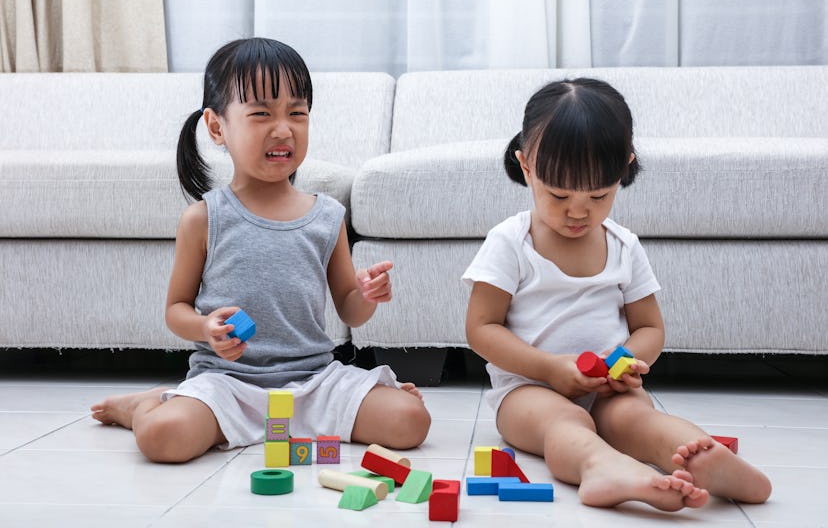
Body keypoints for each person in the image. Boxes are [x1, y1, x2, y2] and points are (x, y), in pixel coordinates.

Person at [91, 38, 430, 463]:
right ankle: (146, 404)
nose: (283, 128)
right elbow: (176, 309)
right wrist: (205, 329)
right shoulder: (204, 219)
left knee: (410, 421)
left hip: (313, 382)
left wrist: (366, 295)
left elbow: (349, 310)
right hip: (229, 384)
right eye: (261, 114)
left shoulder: (327, 217)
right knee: (161, 437)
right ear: (217, 127)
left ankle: (331, 408)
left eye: (297, 113)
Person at [462, 78, 771, 511]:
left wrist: (625, 363)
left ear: (624, 169)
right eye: (559, 195)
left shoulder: (624, 245)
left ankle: (694, 453)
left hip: (607, 387)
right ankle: (600, 468)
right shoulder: (511, 242)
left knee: (636, 417)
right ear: (526, 165)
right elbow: (481, 328)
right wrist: (549, 369)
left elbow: (649, 327)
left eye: (599, 195)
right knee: (565, 421)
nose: (577, 210)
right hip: (527, 391)